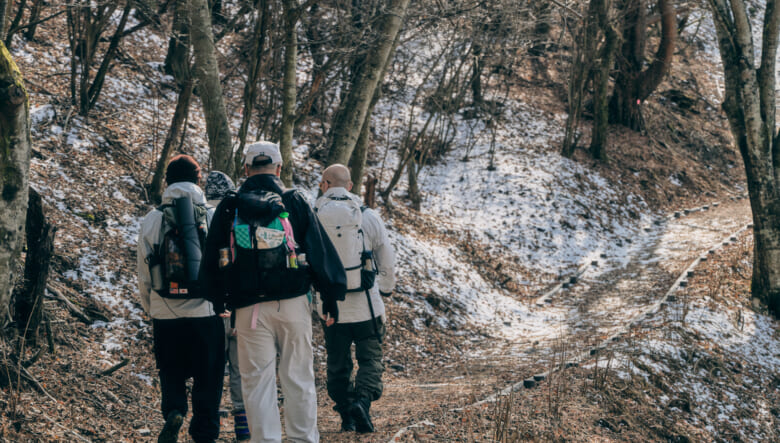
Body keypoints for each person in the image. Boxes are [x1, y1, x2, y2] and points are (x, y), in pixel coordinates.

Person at [200, 141, 346, 443]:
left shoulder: (231, 204)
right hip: (293, 305)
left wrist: (218, 300)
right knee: (298, 378)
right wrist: (330, 296)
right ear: (280, 168)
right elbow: (319, 251)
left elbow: (212, 256)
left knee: (256, 383)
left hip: (248, 311)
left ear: (245, 168)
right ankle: (303, 439)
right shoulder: (294, 200)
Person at [136, 155, 225, 443]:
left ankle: (174, 410)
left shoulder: (152, 219)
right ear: (199, 180)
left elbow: (144, 273)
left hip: (166, 313)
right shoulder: (212, 216)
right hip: (206, 313)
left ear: (167, 182)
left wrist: (153, 308)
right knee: (208, 376)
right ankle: (205, 433)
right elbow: (224, 265)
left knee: (171, 371)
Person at [314, 164, 396, 433]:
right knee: (371, 360)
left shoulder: (313, 215)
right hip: (367, 307)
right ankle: (362, 402)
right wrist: (385, 288)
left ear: (324, 185)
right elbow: (386, 258)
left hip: (331, 308)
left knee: (338, 364)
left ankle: (347, 413)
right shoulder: (367, 216)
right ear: (349, 186)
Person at [204, 171, 250, 442]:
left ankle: (208, 425)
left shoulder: (198, 216)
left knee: (210, 368)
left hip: (207, 308)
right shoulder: (235, 217)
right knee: (238, 368)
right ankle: (243, 426)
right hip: (234, 305)